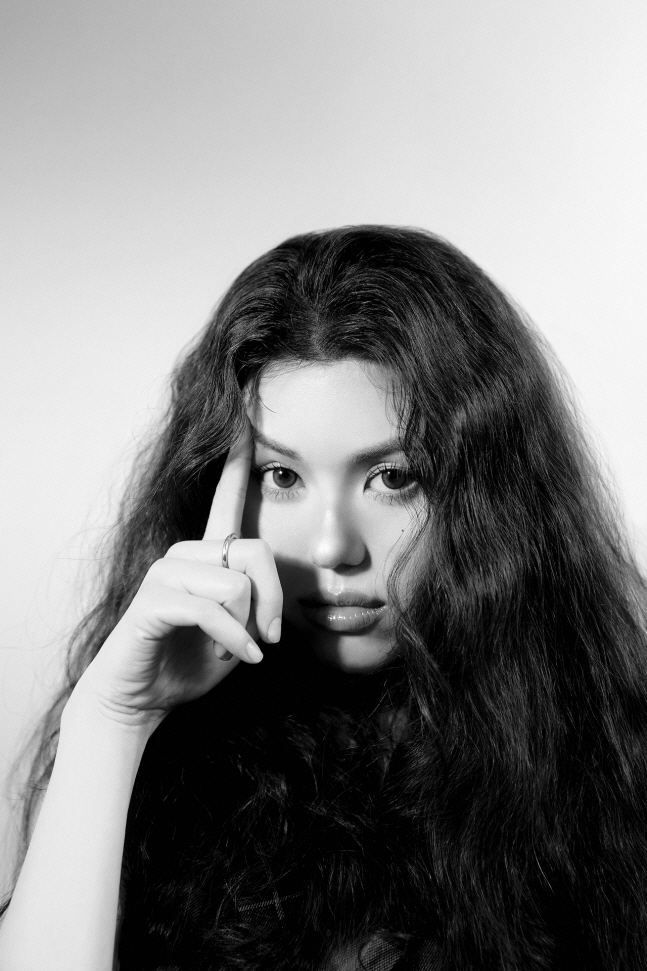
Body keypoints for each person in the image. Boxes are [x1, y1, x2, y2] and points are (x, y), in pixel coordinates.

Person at [0, 226, 646, 971]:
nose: (333, 547)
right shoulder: (171, 762)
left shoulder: (605, 766)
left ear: (488, 499)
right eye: (282, 477)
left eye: (393, 478)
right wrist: (112, 720)